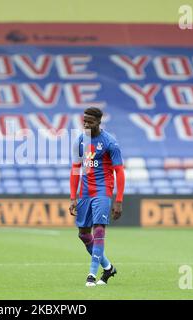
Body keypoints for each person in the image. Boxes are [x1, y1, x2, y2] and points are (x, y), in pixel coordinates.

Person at [69, 107, 125, 287]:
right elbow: (75, 169)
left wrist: (118, 200)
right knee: (83, 234)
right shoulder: (80, 141)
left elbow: (119, 172)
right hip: (85, 191)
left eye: (90, 122)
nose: (86, 124)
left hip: (103, 190)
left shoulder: (110, 143)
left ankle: (92, 275)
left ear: (99, 122)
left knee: (99, 229)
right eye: (84, 121)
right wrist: (73, 197)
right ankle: (108, 267)